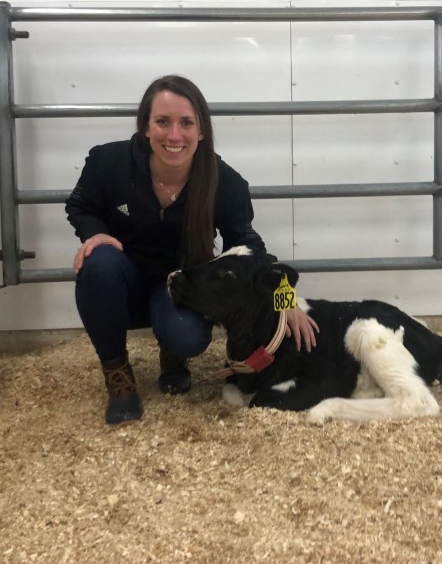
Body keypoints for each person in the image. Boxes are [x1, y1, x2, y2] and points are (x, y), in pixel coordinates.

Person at [65, 75, 319, 425]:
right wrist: (93, 233)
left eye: (186, 123)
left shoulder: (224, 181)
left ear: (201, 131)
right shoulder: (108, 162)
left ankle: (173, 356)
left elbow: (250, 250)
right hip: (121, 281)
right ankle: (118, 377)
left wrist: (285, 298)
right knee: (98, 262)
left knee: (187, 336)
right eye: (162, 122)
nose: (174, 135)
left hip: (179, 289)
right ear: (145, 127)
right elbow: (79, 206)